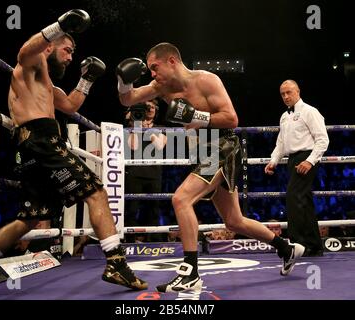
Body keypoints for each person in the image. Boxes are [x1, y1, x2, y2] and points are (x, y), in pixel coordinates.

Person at [0, 9, 147, 296]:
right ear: (50, 46)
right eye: (67, 50)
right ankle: (116, 263)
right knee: (96, 191)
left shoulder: (44, 82)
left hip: (31, 148)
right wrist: (58, 27)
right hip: (42, 143)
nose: (70, 58)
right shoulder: (31, 62)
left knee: (30, 217)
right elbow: (25, 49)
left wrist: (87, 80)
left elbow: (69, 106)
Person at [116, 42, 305, 293]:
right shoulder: (159, 87)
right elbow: (127, 98)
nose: (151, 73)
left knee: (181, 199)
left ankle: (190, 272)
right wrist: (123, 80)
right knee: (234, 221)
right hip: (200, 152)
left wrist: (193, 116)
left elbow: (232, 118)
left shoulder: (206, 81)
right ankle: (286, 248)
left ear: (171, 61)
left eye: (154, 67)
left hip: (222, 147)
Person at [265, 79, 329, 257]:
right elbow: (281, 142)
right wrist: (273, 161)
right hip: (292, 159)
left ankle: (296, 246)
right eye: (283, 94)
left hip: (307, 157)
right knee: (304, 202)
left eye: (289, 92)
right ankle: (314, 246)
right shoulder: (284, 116)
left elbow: (323, 139)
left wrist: (310, 161)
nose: (286, 96)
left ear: (298, 91)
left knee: (294, 198)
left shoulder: (310, 111)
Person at [124, 99, 167, 242]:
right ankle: (129, 240)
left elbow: (160, 145)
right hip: (134, 172)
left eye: (152, 107)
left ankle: (153, 241)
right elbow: (133, 147)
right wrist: (137, 125)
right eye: (146, 107)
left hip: (154, 173)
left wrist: (147, 130)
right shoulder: (132, 127)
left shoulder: (161, 128)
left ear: (156, 110)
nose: (149, 109)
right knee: (131, 208)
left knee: (153, 209)